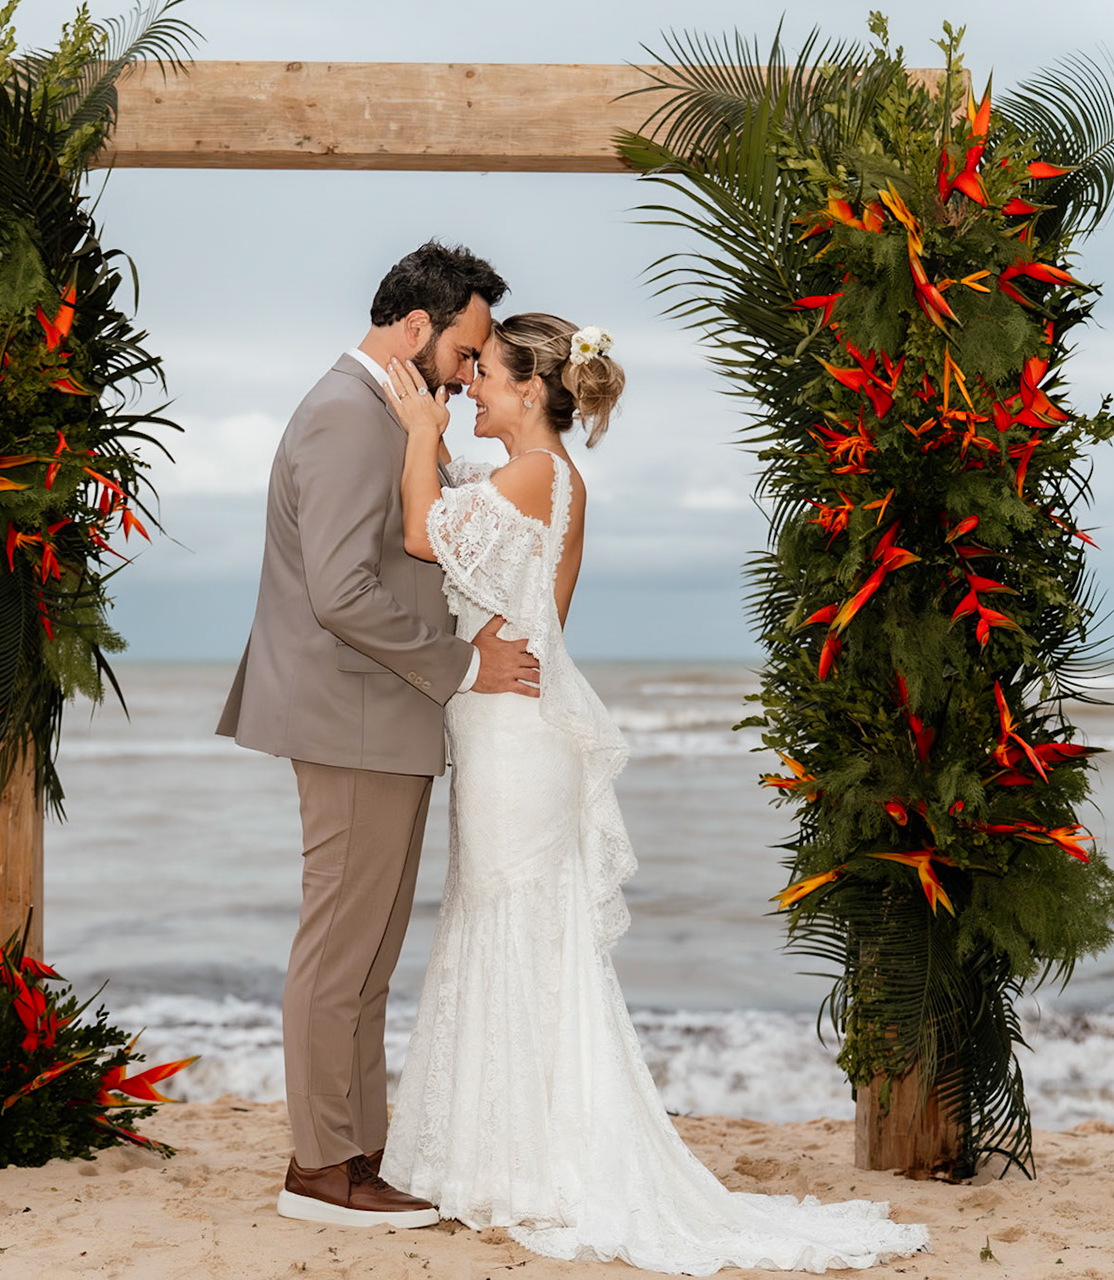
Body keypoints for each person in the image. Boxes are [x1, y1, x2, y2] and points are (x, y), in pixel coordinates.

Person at [376, 313, 932, 1272]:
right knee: (506, 927)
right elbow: (463, 518)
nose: (469, 388)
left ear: (531, 390)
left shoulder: (536, 474)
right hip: (504, 731)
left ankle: (524, 1164)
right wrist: (428, 439)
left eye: (486, 375)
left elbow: (422, 534)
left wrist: (420, 433)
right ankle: (504, 1152)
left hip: (513, 738)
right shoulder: (539, 477)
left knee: (512, 927)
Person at [217, 241, 541, 1229]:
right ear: (415, 327)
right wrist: (464, 665)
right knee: (340, 951)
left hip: (380, 717)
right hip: (352, 715)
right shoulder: (345, 414)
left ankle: (353, 1149)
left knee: (367, 956)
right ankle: (322, 1168)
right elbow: (342, 592)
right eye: (466, 349)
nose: (469, 369)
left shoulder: (384, 414)